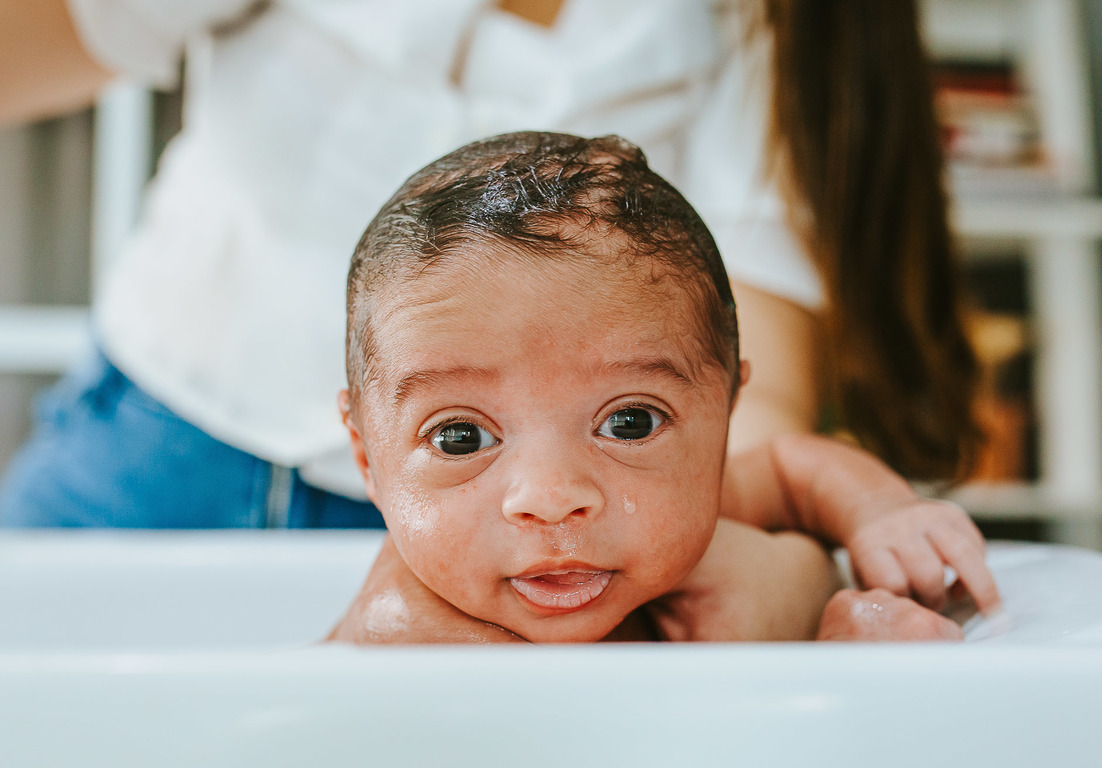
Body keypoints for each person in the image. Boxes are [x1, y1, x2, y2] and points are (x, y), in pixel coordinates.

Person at [0, 1, 984, 614]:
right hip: (143, 449)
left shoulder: (776, 25)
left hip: (505, 554)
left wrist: (766, 564)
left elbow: (740, 388)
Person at [325, 131, 994, 644]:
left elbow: (793, 469)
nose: (551, 498)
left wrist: (881, 513)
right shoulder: (396, 644)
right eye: (460, 437)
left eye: (630, 423)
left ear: (727, 407)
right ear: (366, 457)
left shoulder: (701, 495)